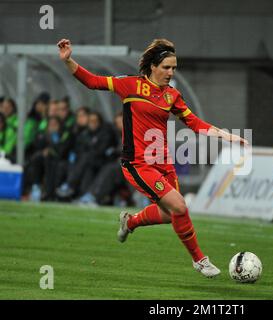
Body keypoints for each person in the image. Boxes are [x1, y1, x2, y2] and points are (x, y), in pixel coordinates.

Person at [57, 38, 248, 277]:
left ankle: (130, 222)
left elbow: (195, 123)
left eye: (174, 68)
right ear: (153, 67)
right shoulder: (130, 85)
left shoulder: (172, 96)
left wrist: (224, 135)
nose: (171, 72)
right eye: (166, 67)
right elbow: (92, 81)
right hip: (138, 163)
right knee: (179, 206)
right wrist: (68, 61)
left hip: (163, 162)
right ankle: (199, 260)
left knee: (171, 214)